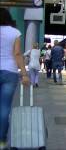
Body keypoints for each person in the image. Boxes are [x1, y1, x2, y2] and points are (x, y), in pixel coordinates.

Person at [0, 8, 29, 149]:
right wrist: (24, 74)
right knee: (4, 108)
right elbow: (17, 54)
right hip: (9, 72)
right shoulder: (14, 32)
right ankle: (1, 141)